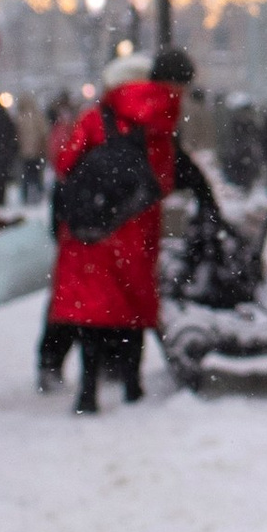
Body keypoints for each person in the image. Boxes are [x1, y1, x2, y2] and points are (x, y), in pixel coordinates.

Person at [46, 44, 190, 412]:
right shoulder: (160, 120)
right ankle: (131, 384)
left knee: (91, 307)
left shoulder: (96, 117)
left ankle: (88, 389)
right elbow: (164, 179)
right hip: (135, 223)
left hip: (92, 225)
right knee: (132, 303)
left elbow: (65, 162)